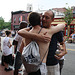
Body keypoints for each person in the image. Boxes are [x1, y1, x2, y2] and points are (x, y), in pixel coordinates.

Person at [18, 11, 65, 75]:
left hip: (29, 66)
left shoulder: (27, 33)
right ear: (40, 20)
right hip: (41, 66)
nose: (44, 19)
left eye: (47, 17)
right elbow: (63, 25)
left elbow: (20, 50)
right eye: (43, 17)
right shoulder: (49, 32)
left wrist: (63, 50)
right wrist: (38, 36)